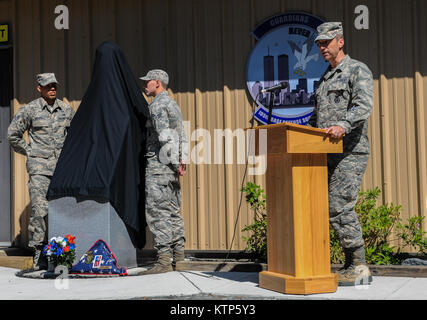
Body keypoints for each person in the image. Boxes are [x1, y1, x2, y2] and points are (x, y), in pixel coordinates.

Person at [308, 22, 374, 286]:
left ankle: (359, 265)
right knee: (327, 207)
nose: (322, 47)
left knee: (339, 206)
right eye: (320, 44)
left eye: (326, 42)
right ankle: (349, 264)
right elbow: (317, 118)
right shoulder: (324, 78)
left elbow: (363, 106)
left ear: (340, 41)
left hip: (350, 151)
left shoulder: (357, 70)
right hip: (325, 152)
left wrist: (343, 126)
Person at [7, 73, 75, 270]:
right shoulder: (30, 110)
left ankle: (62, 255)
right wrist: (30, 151)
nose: (52, 89)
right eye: (48, 86)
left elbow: (75, 137)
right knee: (40, 211)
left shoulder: (66, 110)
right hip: (40, 170)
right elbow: (13, 134)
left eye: (54, 85)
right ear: (39, 88)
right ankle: (39, 253)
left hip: (62, 170)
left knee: (62, 211)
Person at [138, 69, 188, 275]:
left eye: (148, 82)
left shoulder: (158, 105)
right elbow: (181, 134)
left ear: (157, 83)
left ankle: (164, 261)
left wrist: (174, 162)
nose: (145, 85)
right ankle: (179, 258)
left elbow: (164, 135)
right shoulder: (172, 104)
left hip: (160, 166)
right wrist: (182, 160)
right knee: (173, 211)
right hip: (172, 168)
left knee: (158, 213)